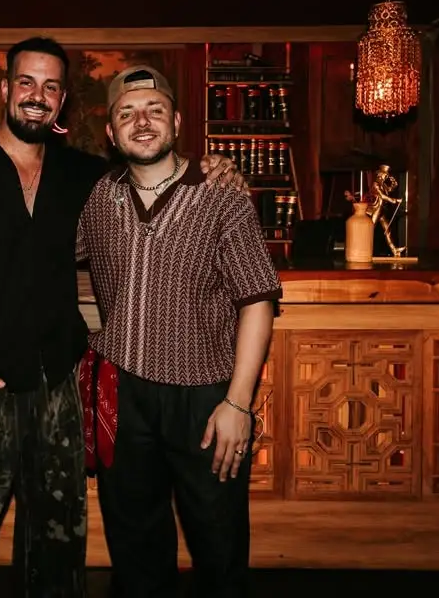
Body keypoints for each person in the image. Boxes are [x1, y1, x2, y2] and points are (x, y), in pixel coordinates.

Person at [0, 37, 242, 597]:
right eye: (27, 82)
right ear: (6, 89)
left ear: (62, 100)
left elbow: (154, 171)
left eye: (50, 86)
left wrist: (213, 168)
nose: (37, 95)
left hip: (59, 386)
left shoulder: (87, 177)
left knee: (57, 548)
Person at [76, 65, 282, 597]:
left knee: (218, 543)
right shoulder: (99, 198)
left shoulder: (221, 195)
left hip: (204, 399)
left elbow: (258, 300)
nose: (142, 122)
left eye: (154, 110)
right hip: (121, 392)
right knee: (135, 547)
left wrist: (238, 403)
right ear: (111, 132)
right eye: (127, 113)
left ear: (177, 121)